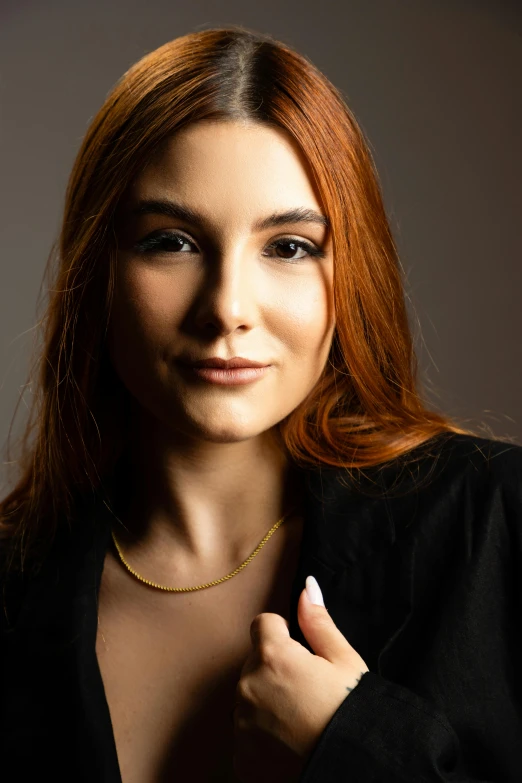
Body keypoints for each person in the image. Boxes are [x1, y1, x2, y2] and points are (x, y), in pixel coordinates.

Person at [0, 24, 520, 783]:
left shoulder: (492, 526)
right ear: (97, 272)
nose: (228, 308)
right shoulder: (15, 589)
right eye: (172, 241)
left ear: (351, 273)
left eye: (288, 247)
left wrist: (359, 750)